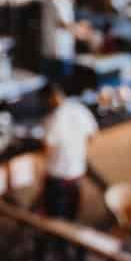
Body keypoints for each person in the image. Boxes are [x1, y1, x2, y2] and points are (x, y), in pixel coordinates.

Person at [41, 86, 99, 222]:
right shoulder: (80, 110)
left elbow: (47, 149)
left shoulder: (53, 119)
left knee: (55, 223)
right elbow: (93, 136)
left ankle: (58, 243)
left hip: (57, 179)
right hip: (76, 176)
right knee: (71, 220)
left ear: (49, 99)